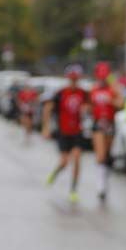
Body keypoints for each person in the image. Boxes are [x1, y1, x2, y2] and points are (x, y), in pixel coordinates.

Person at [44, 64, 91, 203]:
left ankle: (73, 190)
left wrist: (86, 110)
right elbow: (48, 108)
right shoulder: (60, 93)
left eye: (76, 79)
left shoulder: (84, 93)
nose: (74, 82)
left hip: (77, 131)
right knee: (64, 162)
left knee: (76, 159)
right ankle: (55, 172)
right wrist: (45, 127)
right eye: (72, 79)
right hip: (63, 131)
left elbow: (89, 108)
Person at [88, 62, 124, 201]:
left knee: (107, 155)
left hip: (110, 124)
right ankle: (100, 185)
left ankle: (104, 176)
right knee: (100, 155)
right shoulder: (93, 89)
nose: (102, 79)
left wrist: (112, 100)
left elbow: (121, 104)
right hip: (98, 124)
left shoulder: (113, 89)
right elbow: (88, 106)